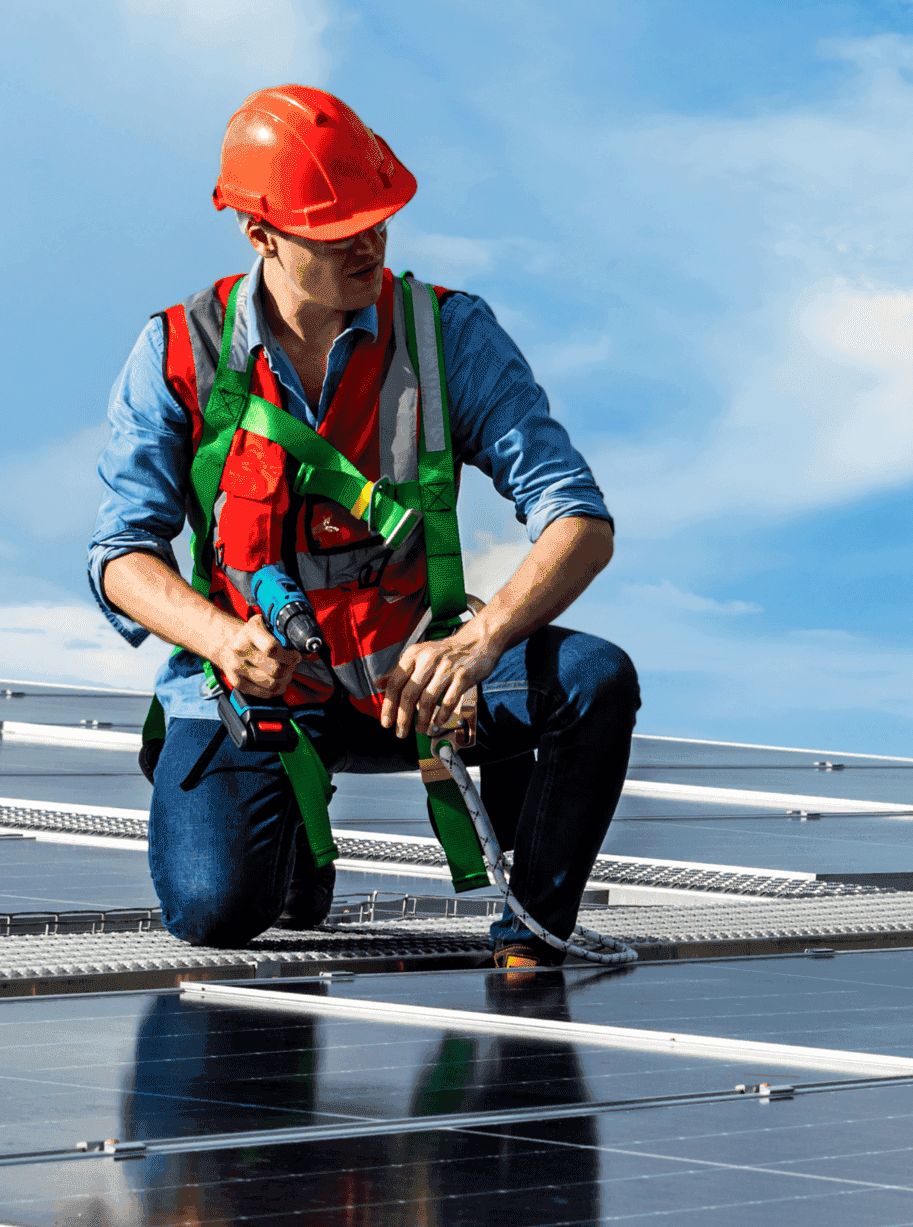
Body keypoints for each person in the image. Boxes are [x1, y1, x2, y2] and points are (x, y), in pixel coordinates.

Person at [90, 85, 635, 969]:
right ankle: (290, 853)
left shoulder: (449, 333)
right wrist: (227, 643)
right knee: (215, 910)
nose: (369, 243)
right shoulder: (176, 352)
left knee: (596, 679)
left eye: (378, 220)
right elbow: (121, 556)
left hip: (418, 685)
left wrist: (481, 641)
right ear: (261, 235)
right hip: (258, 694)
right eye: (337, 229)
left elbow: (579, 515)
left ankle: (532, 934)